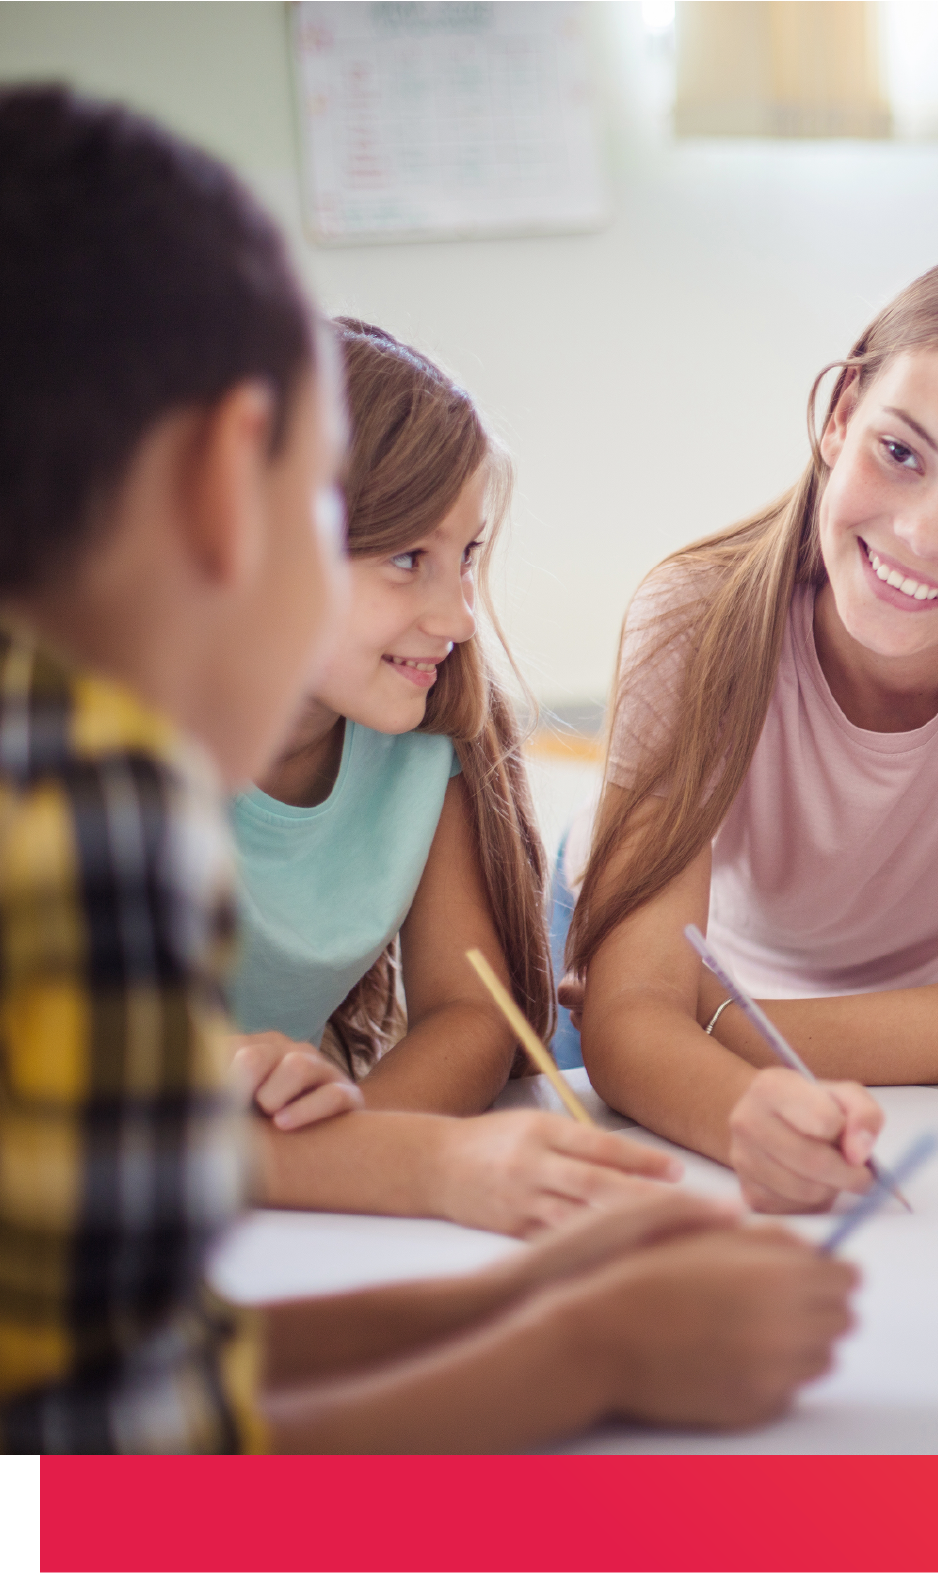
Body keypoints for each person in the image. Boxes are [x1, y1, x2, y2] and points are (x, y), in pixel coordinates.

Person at [0, 85, 852, 1452]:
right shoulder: (67, 799)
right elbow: (90, 1489)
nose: (455, 611)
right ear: (225, 479)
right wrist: (582, 1357)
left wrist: (530, 1295)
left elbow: (95, 1360)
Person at [561, 244, 938, 1214]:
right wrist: (723, 1077)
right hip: (677, 1039)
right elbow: (628, 1017)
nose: (923, 538)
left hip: (759, 1033)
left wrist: (726, 1024)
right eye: (900, 453)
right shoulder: (694, 619)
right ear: (840, 415)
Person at [226, 318, 680, 1237]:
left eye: (467, 556)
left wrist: (347, 1159)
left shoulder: (419, 748)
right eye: (407, 559)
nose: (461, 615)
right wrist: (393, 1168)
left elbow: (470, 1014)